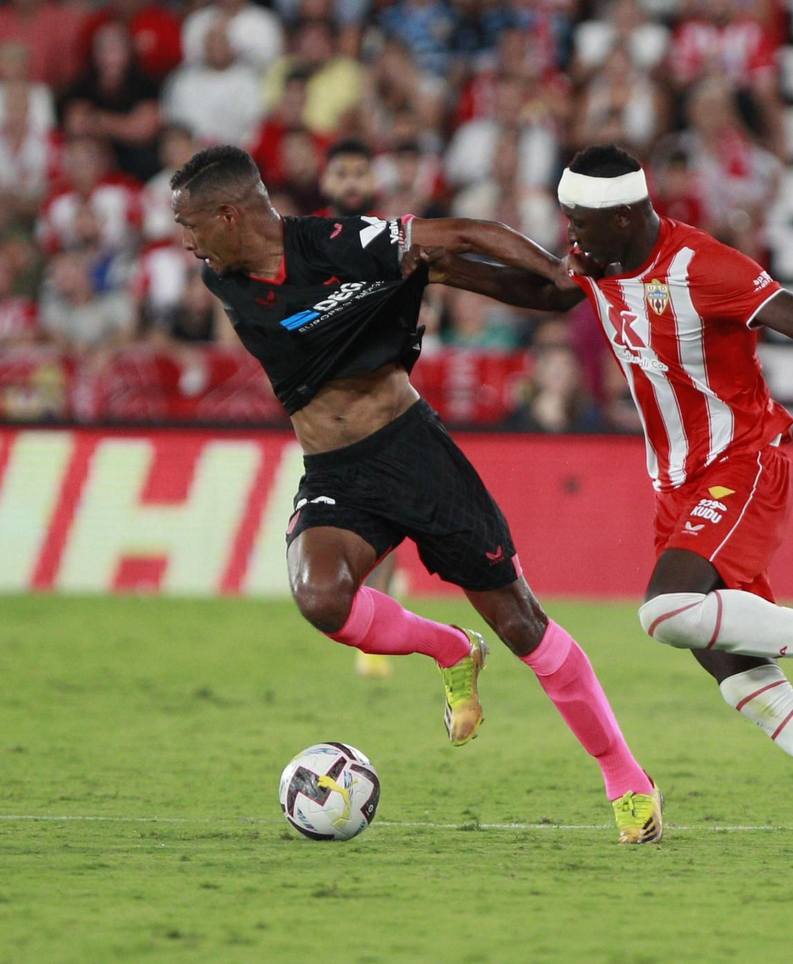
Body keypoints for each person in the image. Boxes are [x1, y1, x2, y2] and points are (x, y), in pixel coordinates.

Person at [427, 144, 793, 857]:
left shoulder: (701, 266)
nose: (570, 235)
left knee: (665, 612)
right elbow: (544, 293)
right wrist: (437, 268)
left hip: (743, 463)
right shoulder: (599, 260)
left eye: (580, 222)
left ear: (626, 215)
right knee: (751, 690)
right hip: (681, 490)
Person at [168, 145, 663, 843]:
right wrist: (407, 275)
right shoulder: (226, 277)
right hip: (336, 472)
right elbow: (405, 272)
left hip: (414, 453)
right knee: (321, 598)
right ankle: (451, 649)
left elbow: (456, 239)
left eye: (190, 224)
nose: (185, 242)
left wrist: (557, 277)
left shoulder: (333, 244)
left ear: (227, 214)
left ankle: (627, 778)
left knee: (524, 624)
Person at [317, 137, 404, 682]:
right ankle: (359, 612)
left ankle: (373, 634)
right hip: (326, 402)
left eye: (358, 172)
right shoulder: (305, 241)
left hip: (384, 394)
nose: (350, 181)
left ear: (370, 180)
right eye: (340, 172)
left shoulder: (389, 239)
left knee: (389, 515)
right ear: (327, 182)